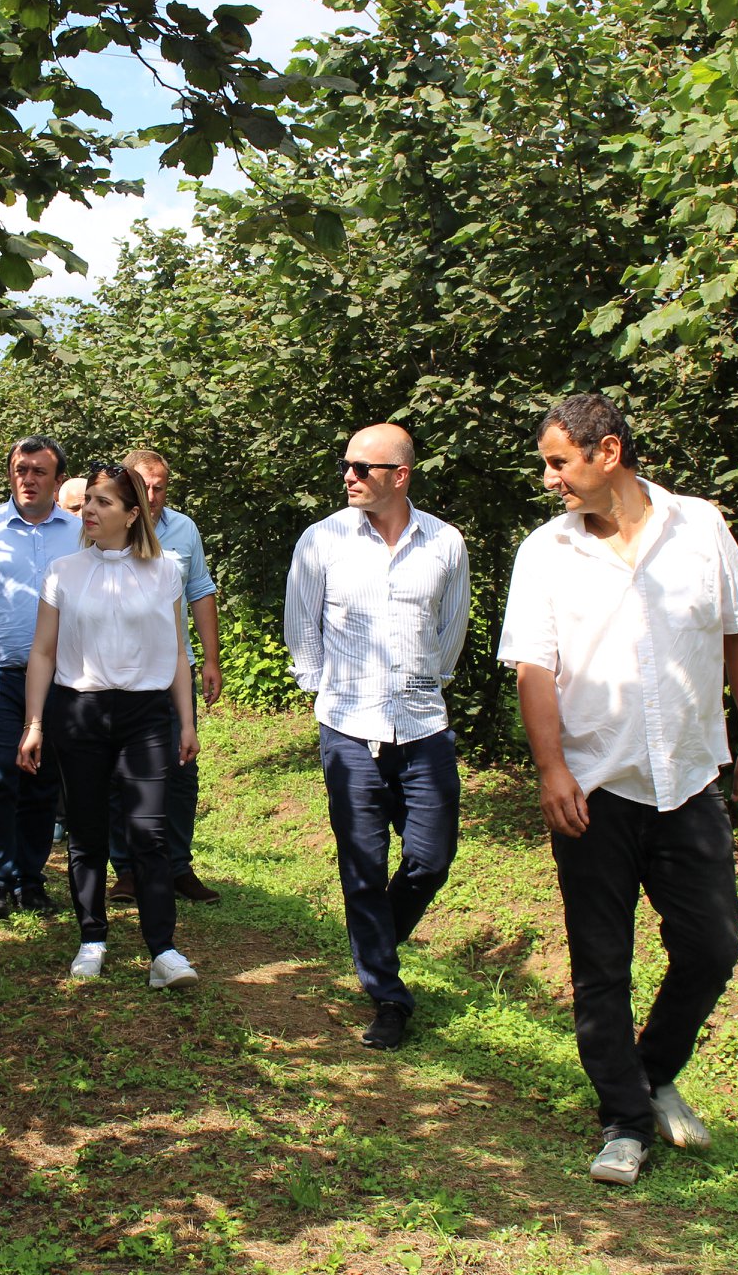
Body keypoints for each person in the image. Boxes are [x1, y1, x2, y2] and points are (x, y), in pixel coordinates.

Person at [496, 393, 738, 1186]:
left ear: (608, 453)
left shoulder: (700, 528)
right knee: (602, 964)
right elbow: (534, 668)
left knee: (713, 947)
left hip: (688, 781)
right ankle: (623, 1122)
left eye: (559, 463)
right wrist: (552, 769)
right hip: (595, 789)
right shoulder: (545, 552)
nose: (549, 479)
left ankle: (652, 1072)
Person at [284, 424, 470, 1051]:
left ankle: (373, 939)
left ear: (400, 475)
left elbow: (450, 631)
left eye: (364, 467)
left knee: (431, 859)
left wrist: (425, 685)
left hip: (423, 727)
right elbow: (301, 629)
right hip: (348, 729)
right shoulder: (322, 540)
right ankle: (388, 996)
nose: (350, 475)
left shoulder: (444, 542)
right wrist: (326, 695)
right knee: (363, 867)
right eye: (346, 464)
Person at [18, 464, 200, 989]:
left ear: (132, 514)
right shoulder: (63, 571)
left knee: (150, 833)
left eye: (103, 502)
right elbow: (42, 652)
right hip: (80, 713)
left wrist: (187, 722)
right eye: (88, 501)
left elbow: (176, 652)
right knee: (87, 832)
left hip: (146, 717)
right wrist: (35, 723)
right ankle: (92, 938)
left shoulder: (166, 570)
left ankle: (163, 951)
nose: (89, 510)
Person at [0, 437, 80, 919]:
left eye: (39, 471)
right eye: (21, 469)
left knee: (42, 780)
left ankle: (29, 878)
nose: (28, 479)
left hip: (61, 677)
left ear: (58, 480)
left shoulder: (80, 531)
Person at [107, 449, 221, 906]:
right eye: (144, 486)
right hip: (117, 669)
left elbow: (201, 591)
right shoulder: (107, 525)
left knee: (180, 767)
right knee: (120, 772)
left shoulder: (184, 529)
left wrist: (210, 659)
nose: (152, 495)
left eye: (160, 486)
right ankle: (127, 870)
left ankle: (177, 866)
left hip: (173, 668)